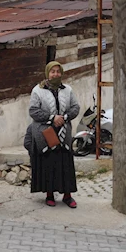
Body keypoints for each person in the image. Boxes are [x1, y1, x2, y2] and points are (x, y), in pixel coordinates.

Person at [26, 61, 80, 207]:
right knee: (49, 162)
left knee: (66, 163)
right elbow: (33, 111)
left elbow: (75, 107)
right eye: (52, 71)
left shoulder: (67, 89)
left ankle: (67, 196)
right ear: (47, 73)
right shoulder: (38, 90)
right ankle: (49, 195)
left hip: (64, 131)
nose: (55, 74)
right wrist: (52, 118)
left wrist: (64, 118)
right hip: (47, 131)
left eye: (58, 71)